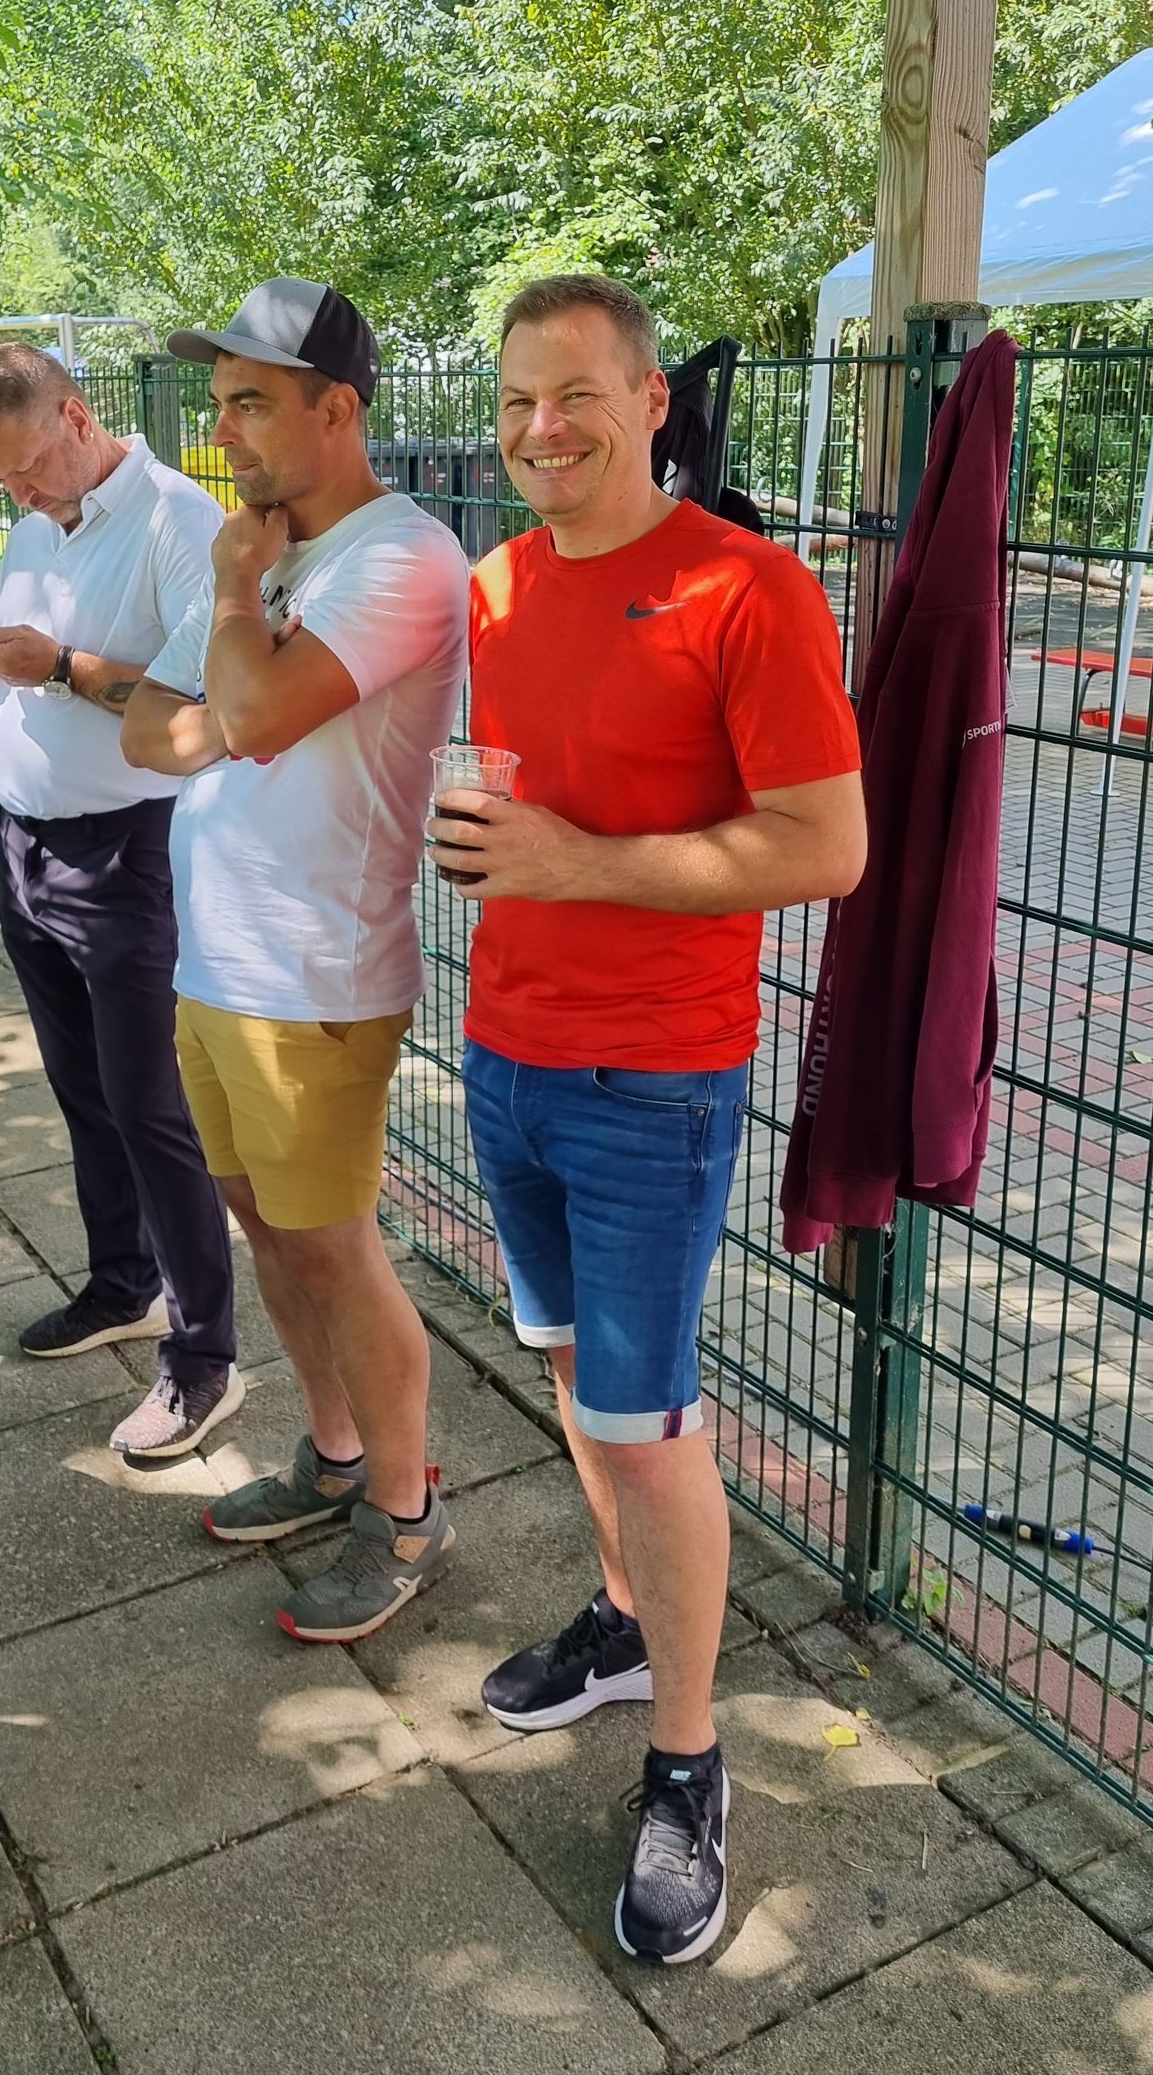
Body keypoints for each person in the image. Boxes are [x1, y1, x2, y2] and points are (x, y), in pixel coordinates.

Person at [432, 274, 865, 1964]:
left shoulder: (746, 588)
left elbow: (825, 845)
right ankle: (623, 1625)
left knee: (653, 1422)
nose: (542, 429)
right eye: (517, 401)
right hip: (504, 1055)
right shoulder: (494, 585)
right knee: (570, 1376)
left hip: (652, 1084)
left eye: (576, 395)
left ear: (651, 401)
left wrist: (573, 863)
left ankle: (690, 1763)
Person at [122, 278, 469, 1642]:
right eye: (219, 404)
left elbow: (248, 716)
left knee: (336, 1250)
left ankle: (406, 1512)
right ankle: (333, 1455)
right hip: (215, 962)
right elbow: (152, 730)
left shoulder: (402, 557)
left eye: (251, 402)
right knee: (265, 1228)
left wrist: (232, 613)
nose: (224, 432)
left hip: (317, 975)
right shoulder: (266, 557)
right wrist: (240, 681)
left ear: (340, 408)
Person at [0, 345, 242, 1458]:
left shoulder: (179, 521)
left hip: (127, 855)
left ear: (75, 416)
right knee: (81, 1089)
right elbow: (39, 658)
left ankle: (204, 1358)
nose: (17, 493)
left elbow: (205, 701)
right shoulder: (37, 525)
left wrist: (57, 665)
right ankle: (124, 1283)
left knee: (151, 1106)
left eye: (24, 466)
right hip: (24, 842)